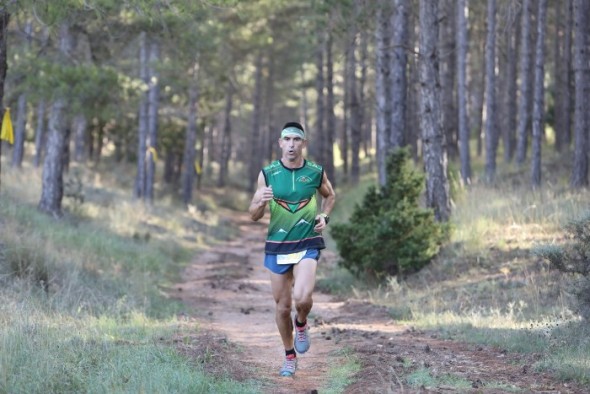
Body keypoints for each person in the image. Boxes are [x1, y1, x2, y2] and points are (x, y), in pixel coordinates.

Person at [248, 121, 336, 377]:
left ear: (303, 144)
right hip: (277, 245)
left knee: (303, 298)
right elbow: (253, 214)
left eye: (296, 140)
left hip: (308, 242)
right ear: (280, 143)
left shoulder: (316, 172)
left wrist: (325, 216)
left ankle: (302, 323)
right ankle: (289, 355)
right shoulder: (268, 174)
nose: (291, 144)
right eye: (287, 139)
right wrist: (260, 204)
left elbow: (329, 196)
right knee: (282, 307)